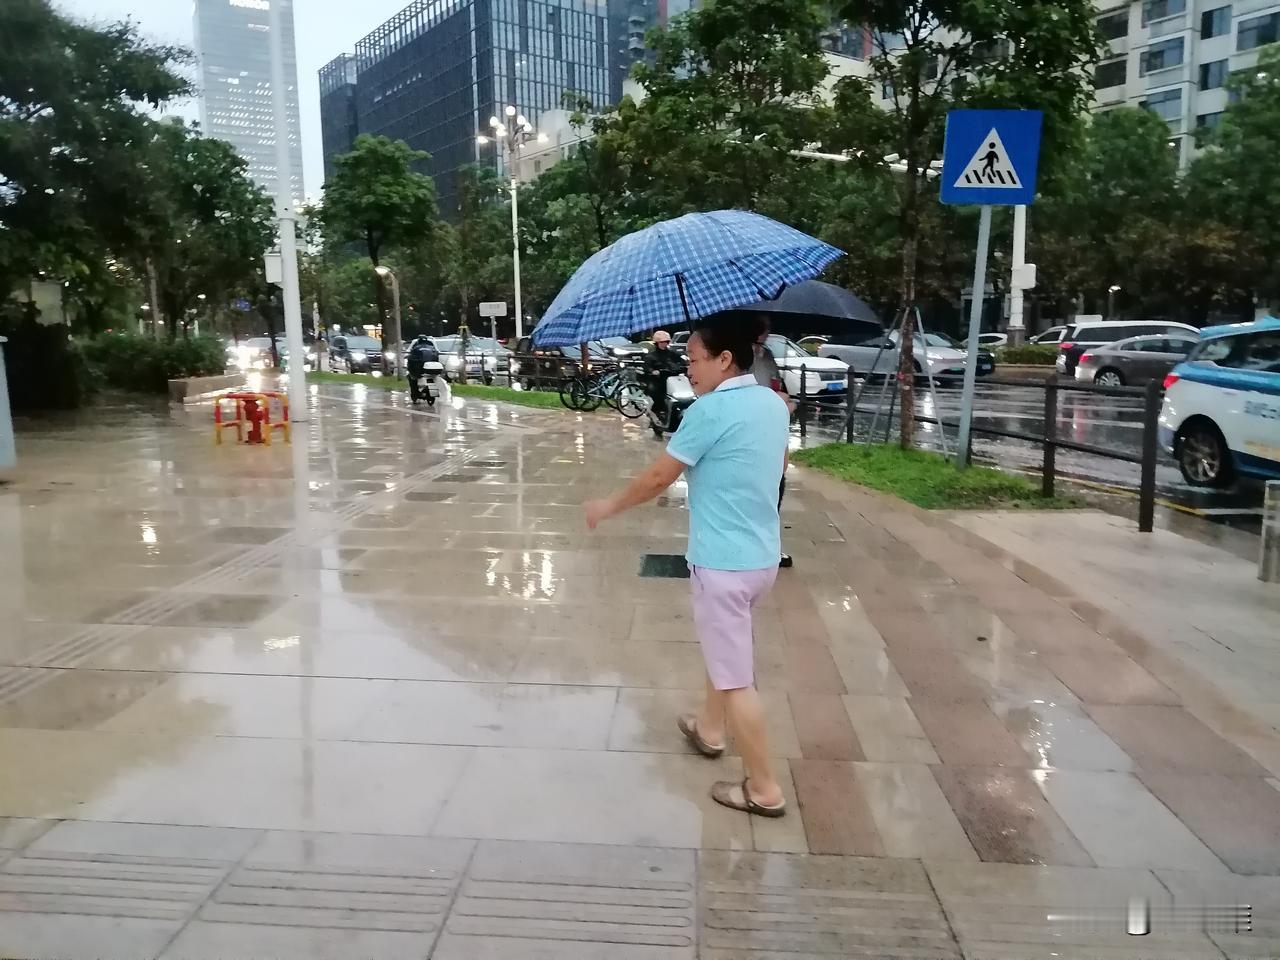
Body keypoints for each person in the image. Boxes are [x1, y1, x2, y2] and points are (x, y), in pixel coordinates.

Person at [584, 315, 790, 817]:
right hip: (760, 558)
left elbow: (659, 477)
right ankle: (709, 729)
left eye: (695, 359)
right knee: (727, 650)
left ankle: (764, 789)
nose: (688, 368)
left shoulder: (710, 411)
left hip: (722, 564)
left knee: (738, 677)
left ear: (724, 359)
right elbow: (779, 465)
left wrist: (608, 506)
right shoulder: (772, 401)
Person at [752, 322, 795, 569]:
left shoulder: (766, 355)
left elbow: (776, 384)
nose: (765, 333)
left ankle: (770, 548)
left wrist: (784, 400)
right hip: (749, 432)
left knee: (776, 487)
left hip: (772, 428)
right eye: (762, 328)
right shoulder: (738, 357)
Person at [642, 330, 687, 425]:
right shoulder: (651, 355)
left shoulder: (672, 353)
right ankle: (656, 412)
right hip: (658, 381)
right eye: (662, 342)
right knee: (658, 395)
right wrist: (653, 371)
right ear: (657, 342)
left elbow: (682, 361)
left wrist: (686, 364)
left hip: (673, 380)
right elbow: (647, 366)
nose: (664, 344)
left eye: (666, 342)